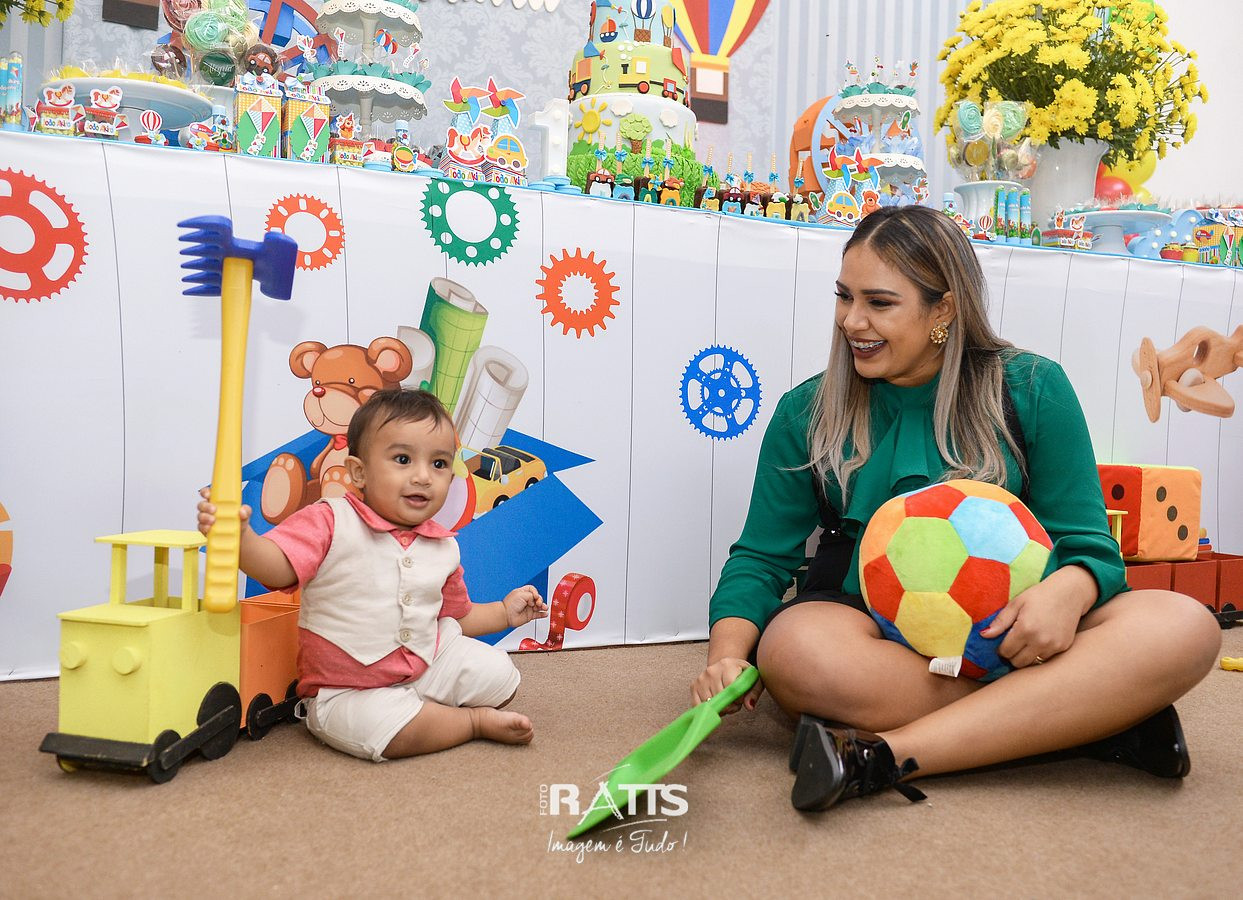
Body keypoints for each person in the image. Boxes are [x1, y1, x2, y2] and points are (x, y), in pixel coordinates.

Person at [692, 205, 1222, 811]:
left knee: (1186, 626)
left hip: (1015, 629)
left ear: (944, 309)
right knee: (793, 652)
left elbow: (1089, 545)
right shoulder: (804, 411)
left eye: (879, 302)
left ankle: (883, 755)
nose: (852, 321)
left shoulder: (1034, 386)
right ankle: (1087, 718)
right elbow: (761, 558)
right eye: (844, 296)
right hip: (868, 624)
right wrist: (726, 655)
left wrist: (1068, 592)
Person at [196, 388, 548, 762]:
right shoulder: (330, 520)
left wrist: (504, 612)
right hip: (348, 689)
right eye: (403, 459)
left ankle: (423, 707)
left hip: (425, 664)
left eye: (439, 464)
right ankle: (471, 723)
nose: (423, 477)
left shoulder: (443, 545)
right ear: (359, 472)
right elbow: (278, 567)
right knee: (383, 728)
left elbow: (458, 616)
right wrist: (242, 541)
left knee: (500, 677)